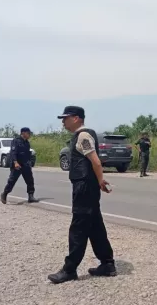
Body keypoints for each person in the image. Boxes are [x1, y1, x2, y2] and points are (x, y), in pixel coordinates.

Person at [48, 106, 116, 284]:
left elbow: (95, 161)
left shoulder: (83, 135)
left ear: (76, 118)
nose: (63, 121)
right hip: (87, 186)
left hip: (84, 188)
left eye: (66, 118)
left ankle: (69, 269)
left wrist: (101, 179)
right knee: (95, 226)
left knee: (78, 227)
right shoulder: (81, 135)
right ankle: (107, 264)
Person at [0, 128, 38, 204]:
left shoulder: (27, 142)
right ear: (23, 133)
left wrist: (29, 162)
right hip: (17, 165)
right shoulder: (16, 141)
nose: (29, 135)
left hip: (25, 164)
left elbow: (27, 154)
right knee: (12, 181)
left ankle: (31, 196)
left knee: (30, 181)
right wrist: (15, 162)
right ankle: (4, 193)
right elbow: (13, 152)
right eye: (28, 133)